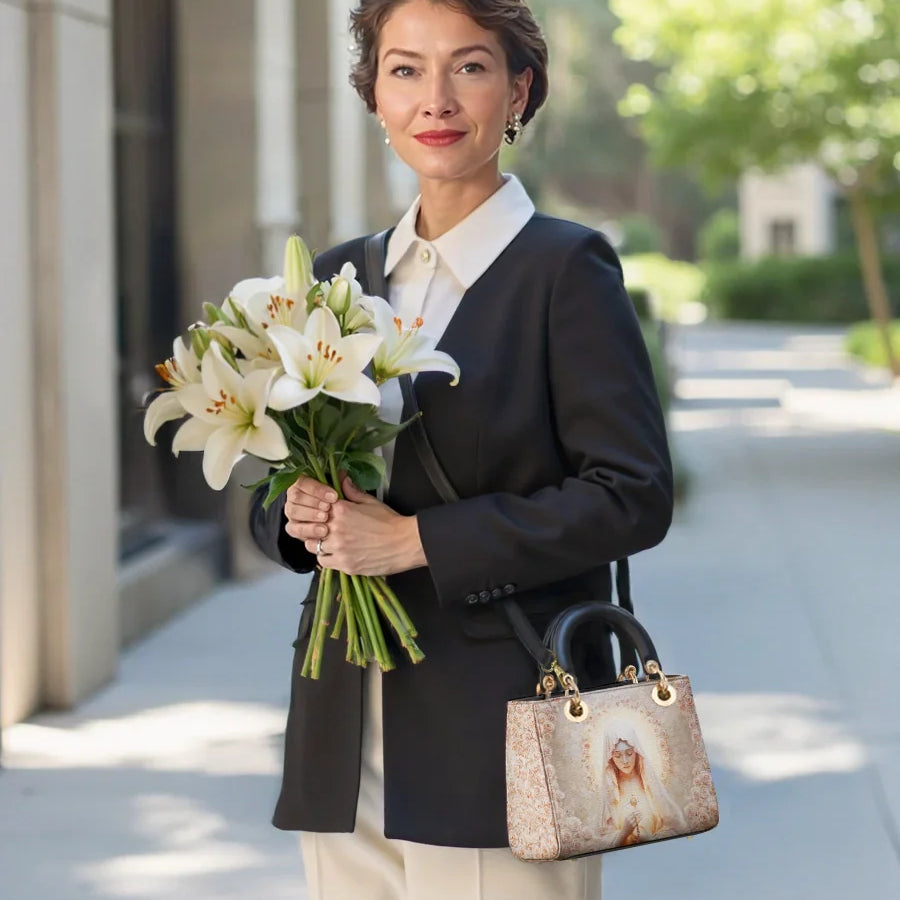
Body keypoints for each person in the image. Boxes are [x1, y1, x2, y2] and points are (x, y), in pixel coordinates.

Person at [249, 1, 673, 897]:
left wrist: (417, 543)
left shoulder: (565, 270)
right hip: (341, 727)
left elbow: (631, 494)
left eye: (469, 67)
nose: (435, 98)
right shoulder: (336, 277)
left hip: (501, 728)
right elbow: (276, 477)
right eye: (405, 69)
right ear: (374, 96)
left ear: (519, 89)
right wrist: (298, 517)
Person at [596, 720, 687, 849]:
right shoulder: (610, 791)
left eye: (629, 753)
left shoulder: (650, 783)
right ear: (610, 758)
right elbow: (601, 841)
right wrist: (623, 833)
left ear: (637, 752)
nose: (625, 761)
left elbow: (678, 827)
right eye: (618, 756)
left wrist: (651, 838)